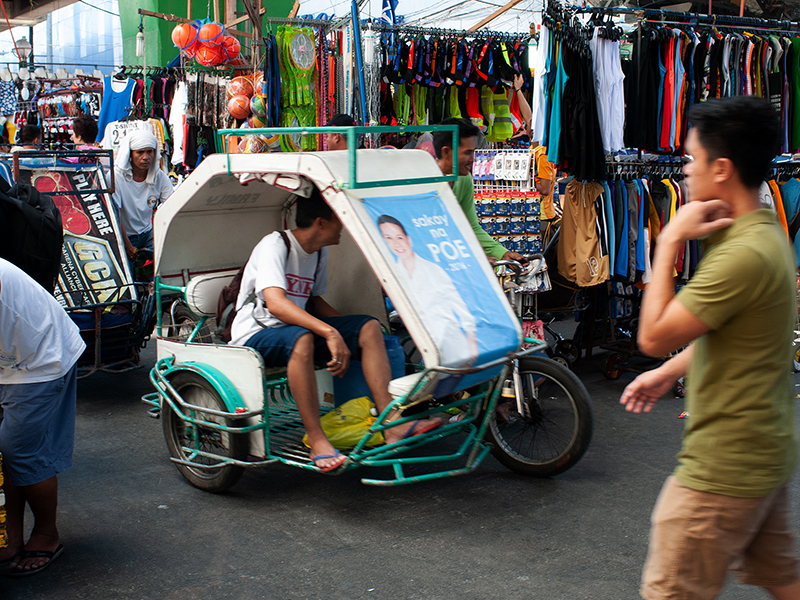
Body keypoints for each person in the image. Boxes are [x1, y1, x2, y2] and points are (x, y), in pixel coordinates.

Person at [620, 96, 800, 600]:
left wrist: (668, 240)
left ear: (721, 168)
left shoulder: (741, 254)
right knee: (783, 581)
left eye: (689, 160)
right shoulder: (763, 232)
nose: (684, 171)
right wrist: (669, 372)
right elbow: (733, 334)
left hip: (721, 469)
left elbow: (652, 336)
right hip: (763, 454)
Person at [229, 187, 442, 472]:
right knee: (302, 339)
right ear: (321, 222)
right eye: (339, 218)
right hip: (256, 333)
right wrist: (330, 333)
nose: (343, 226)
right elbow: (277, 304)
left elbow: (313, 302)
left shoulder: (318, 253)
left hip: (293, 330)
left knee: (367, 327)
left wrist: (346, 331)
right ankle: (317, 439)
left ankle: (390, 424)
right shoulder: (275, 244)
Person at [0, 257, 85, 576]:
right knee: (5, 452)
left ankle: (47, 534)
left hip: (40, 357)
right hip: (9, 355)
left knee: (19, 449)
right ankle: (11, 538)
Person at [377, 215, 478, 367]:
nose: (396, 243)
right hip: (424, 341)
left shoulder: (433, 269)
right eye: (388, 238)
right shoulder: (393, 273)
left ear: (408, 239)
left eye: (399, 237)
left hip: (451, 341)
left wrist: (471, 342)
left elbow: (458, 305)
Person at [432, 118, 525, 264]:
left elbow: (471, 226)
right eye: (467, 153)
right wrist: (471, 259)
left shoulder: (463, 179)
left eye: (474, 152)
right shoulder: (424, 182)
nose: (473, 159)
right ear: (446, 152)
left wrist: (503, 253)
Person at [112, 130, 173, 262]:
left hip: (148, 232)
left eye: (150, 151)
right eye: (140, 152)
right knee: (128, 277)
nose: (146, 157)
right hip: (124, 235)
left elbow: (172, 205)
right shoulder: (116, 177)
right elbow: (116, 213)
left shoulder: (159, 176)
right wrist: (128, 246)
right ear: (130, 154)